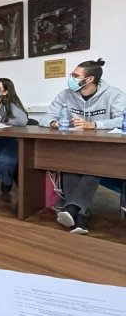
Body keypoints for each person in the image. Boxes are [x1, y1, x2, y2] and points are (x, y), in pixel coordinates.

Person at [39, 58, 126, 235]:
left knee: (92, 166)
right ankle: (79, 218)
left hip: (106, 150)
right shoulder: (65, 95)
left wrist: (93, 125)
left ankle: (73, 211)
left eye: (75, 75)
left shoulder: (114, 95)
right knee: (72, 166)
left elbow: (122, 119)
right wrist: (55, 122)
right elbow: (45, 118)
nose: (70, 78)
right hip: (76, 148)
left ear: (89, 79)